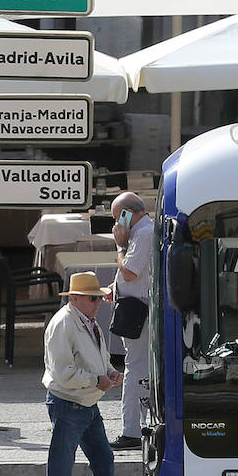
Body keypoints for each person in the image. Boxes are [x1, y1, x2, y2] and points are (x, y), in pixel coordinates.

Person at [36, 272, 124, 476]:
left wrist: (109, 371)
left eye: (98, 298)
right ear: (74, 298)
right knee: (62, 468)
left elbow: (98, 356)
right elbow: (63, 373)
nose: (97, 303)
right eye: (92, 299)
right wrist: (97, 380)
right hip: (69, 403)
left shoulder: (86, 320)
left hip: (87, 402)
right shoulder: (63, 323)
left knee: (103, 459)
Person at [109, 191, 153, 450]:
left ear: (129, 214)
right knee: (138, 367)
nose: (116, 225)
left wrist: (121, 246)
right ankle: (136, 426)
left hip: (140, 310)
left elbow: (129, 272)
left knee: (135, 368)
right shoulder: (141, 232)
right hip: (135, 305)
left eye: (118, 218)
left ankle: (132, 430)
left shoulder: (143, 234)